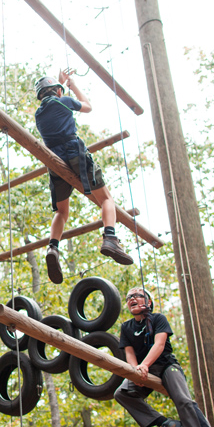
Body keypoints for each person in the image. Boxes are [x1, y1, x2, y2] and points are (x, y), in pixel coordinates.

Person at [113, 287, 214, 427]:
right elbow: (129, 353)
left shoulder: (158, 319)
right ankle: (167, 424)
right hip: (143, 369)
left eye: (138, 295)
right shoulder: (126, 327)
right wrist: (134, 372)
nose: (132, 298)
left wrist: (144, 365)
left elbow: (160, 344)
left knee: (184, 400)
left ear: (149, 302)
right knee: (122, 393)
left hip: (167, 365)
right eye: (129, 297)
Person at [34, 69, 132, 285]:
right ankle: (110, 237)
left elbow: (56, 103)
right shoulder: (64, 101)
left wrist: (60, 85)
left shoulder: (39, 114)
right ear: (58, 91)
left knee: (61, 211)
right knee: (106, 199)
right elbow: (87, 106)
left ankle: (53, 247)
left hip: (55, 161)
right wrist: (72, 85)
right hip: (75, 153)